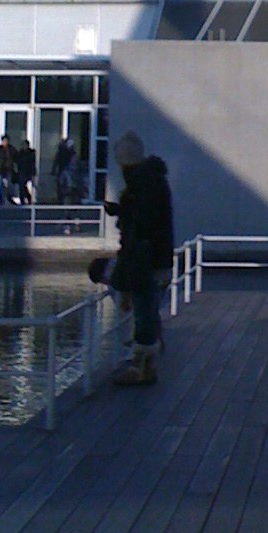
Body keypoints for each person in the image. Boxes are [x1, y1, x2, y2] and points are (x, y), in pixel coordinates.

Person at [104, 130, 174, 386]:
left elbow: (141, 225)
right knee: (147, 310)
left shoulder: (141, 184)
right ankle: (146, 365)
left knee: (143, 312)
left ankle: (140, 367)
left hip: (144, 260)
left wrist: (124, 212)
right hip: (157, 257)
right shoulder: (154, 180)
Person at [53, 136, 77, 205]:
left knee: (62, 185)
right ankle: (65, 200)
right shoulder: (69, 152)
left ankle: (62, 200)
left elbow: (57, 161)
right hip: (66, 170)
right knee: (67, 186)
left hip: (63, 170)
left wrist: (54, 169)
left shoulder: (62, 152)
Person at [0, 135, 16, 205]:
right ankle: (1, 200)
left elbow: (16, 157)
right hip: (0, 170)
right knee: (0, 185)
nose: (5, 142)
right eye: (4, 141)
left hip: (8, 169)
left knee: (9, 185)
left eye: (6, 141)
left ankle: (9, 198)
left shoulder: (11, 149)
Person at [16, 138, 37, 205]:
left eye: (26, 145)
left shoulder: (31, 153)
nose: (24, 146)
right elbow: (18, 162)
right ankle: (23, 200)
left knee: (24, 186)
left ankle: (29, 198)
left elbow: (32, 163)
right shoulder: (20, 153)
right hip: (22, 172)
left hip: (28, 172)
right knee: (22, 187)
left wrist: (33, 173)